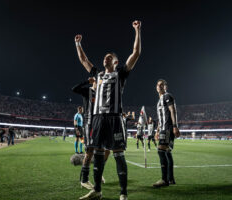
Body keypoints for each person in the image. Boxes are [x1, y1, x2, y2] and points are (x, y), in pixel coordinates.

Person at [75, 20, 141, 200]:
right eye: (104, 57)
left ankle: (123, 193)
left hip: (115, 118)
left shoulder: (121, 73)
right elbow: (83, 60)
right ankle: (97, 190)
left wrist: (137, 30)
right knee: (97, 153)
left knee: (118, 155)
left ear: (116, 61)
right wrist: (78, 43)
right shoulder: (97, 74)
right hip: (97, 118)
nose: (105, 58)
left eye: (109, 57)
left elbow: (136, 53)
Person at [72, 77, 110, 190]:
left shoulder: (104, 95)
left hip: (102, 125)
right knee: (89, 152)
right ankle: (84, 180)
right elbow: (74, 89)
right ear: (96, 81)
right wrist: (86, 81)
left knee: (106, 151)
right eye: (101, 79)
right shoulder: (88, 91)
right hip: (90, 125)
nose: (103, 81)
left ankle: (98, 173)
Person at [153, 79, 180, 187]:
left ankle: (164, 180)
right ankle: (171, 179)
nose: (159, 86)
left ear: (165, 87)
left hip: (168, 127)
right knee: (167, 152)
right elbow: (160, 118)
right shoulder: (159, 100)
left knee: (161, 150)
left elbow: (173, 111)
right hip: (163, 128)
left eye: (161, 85)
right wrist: (157, 131)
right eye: (158, 84)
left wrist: (175, 126)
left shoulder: (167, 96)